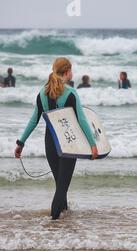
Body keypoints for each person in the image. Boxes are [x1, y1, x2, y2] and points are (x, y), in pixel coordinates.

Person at [14, 57, 98, 220]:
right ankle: (53, 222)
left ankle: (62, 221)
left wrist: (20, 143)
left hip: (51, 144)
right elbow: (82, 121)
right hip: (69, 144)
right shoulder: (71, 93)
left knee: (60, 183)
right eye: (71, 70)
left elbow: (34, 120)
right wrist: (93, 145)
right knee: (62, 187)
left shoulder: (42, 93)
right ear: (67, 72)